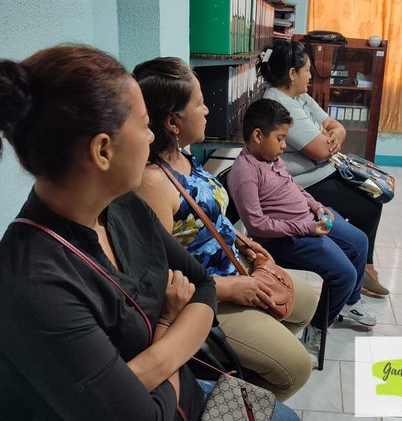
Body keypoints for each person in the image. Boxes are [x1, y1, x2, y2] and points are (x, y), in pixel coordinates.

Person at [0, 45, 299, 421]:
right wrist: (168, 324)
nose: (151, 138)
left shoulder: (122, 205)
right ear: (103, 151)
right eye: (144, 126)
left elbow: (203, 285)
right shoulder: (34, 286)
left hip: (185, 391)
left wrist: (141, 371)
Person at [132, 57, 317, 400]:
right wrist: (230, 289)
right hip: (208, 293)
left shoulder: (183, 156)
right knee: (295, 369)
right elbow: (160, 279)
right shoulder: (153, 183)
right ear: (173, 122)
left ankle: (251, 370)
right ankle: (234, 404)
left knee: (304, 304)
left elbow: (206, 215)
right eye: (200, 103)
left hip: (232, 263)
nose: (208, 110)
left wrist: (240, 239)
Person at [227, 98, 378, 358]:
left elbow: (293, 187)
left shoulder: (271, 158)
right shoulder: (245, 173)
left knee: (359, 241)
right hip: (284, 239)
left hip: (308, 221)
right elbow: (257, 225)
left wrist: (317, 206)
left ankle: (349, 301)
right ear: (258, 136)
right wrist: (307, 227)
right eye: (280, 138)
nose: (284, 145)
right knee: (344, 274)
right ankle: (317, 327)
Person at [258, 40, 389, 297]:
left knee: (373, 198)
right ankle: (361, 269)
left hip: (322, 169)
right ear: (292, 73)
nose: (311, 76)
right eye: (307, 70)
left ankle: (363, 267)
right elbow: (320, 150)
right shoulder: (279, 104)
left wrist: (334, 134)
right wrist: (326, 138)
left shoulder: (300, 96)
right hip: (304, 181)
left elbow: (335, 126)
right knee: (368, 207)